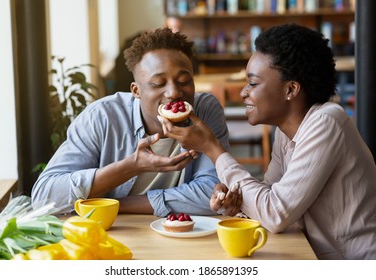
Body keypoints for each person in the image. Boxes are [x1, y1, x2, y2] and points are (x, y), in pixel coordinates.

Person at [158, 23, 376, 259]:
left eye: (252, 83)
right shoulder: (286, 131)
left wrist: (212, 148)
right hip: (313, 257)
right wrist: (236, 203)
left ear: (290, 89)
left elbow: (276, 214)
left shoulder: (326, 121)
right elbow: (270, 196)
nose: (243, 92)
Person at [31, 28, 229, 217]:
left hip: (179, 233)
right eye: (158, 84)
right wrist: (132, 166)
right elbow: (44, 196)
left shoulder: (204, 110)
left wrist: (116, 204)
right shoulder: (101, 117)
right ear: (136, 91)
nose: (174, 93)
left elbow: (212, 195)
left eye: (184, 80)